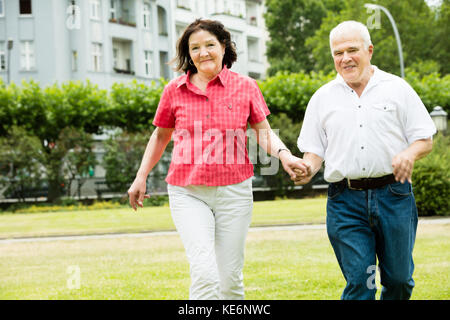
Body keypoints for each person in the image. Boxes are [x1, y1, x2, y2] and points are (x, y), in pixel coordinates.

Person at [128, 19, 307, 300]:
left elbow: (264, 134)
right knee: (204, 273)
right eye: (195, 47)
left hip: (234, 192)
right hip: (188, 192)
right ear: (189, 53)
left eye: (210, 45)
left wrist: (284, 155)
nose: (203, 52)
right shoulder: (174, 91)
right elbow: (160, 136)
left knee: (230, 280)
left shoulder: (246, 87)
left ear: (224, 47)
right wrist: (141, 177)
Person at [294, 21, 436, 300]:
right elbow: (313, 151)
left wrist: (409, 153)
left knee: (399, 281)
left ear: (369, 50)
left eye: (352, 50)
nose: (345, 58)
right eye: (337, 53)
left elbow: (425, 138)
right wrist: (307, 168)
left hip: (394, 196)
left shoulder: (397, 89)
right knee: (361, 281)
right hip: (345, 200)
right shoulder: (322, 98)